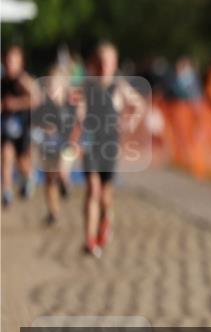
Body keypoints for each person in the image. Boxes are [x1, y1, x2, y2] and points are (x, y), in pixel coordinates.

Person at [73, 41, 146, 257]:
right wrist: (78, 130)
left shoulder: (119, 86)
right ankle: (89, 240)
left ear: (114, 64)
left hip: (110, 145)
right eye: (100, 62)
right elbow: (79, 111)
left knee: (105, 196)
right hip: (90, 145)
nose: (104, 67)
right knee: (92, 190)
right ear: (93, 64)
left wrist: (129, 122)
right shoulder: (87, 86)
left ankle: (105, 222)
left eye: (108, 62)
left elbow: (139, 105)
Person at [36, 65, 77, 224]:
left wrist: (73, 140)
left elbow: (78, 125)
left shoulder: (70, 105)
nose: (52, 88)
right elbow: (36, 123)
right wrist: (45, 128)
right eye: (50, 84)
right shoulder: (43, 106)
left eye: (56, 84)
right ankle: (53, 212)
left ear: (64, 85)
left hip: (67, 145)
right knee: (49, 180)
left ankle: (65, 184)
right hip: (48, 146)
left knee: (61, 167)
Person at [1, 44, 40, 207]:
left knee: (21, 161)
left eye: (13, 61)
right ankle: (7, 191)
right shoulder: (3, 81)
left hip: (23, 126)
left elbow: (36, 99)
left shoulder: (23, 80)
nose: (9, 64)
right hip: (6, 126)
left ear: (21, 63)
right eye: (7, 60)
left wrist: (15, 103)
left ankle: (29, 177)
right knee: (6, 154)